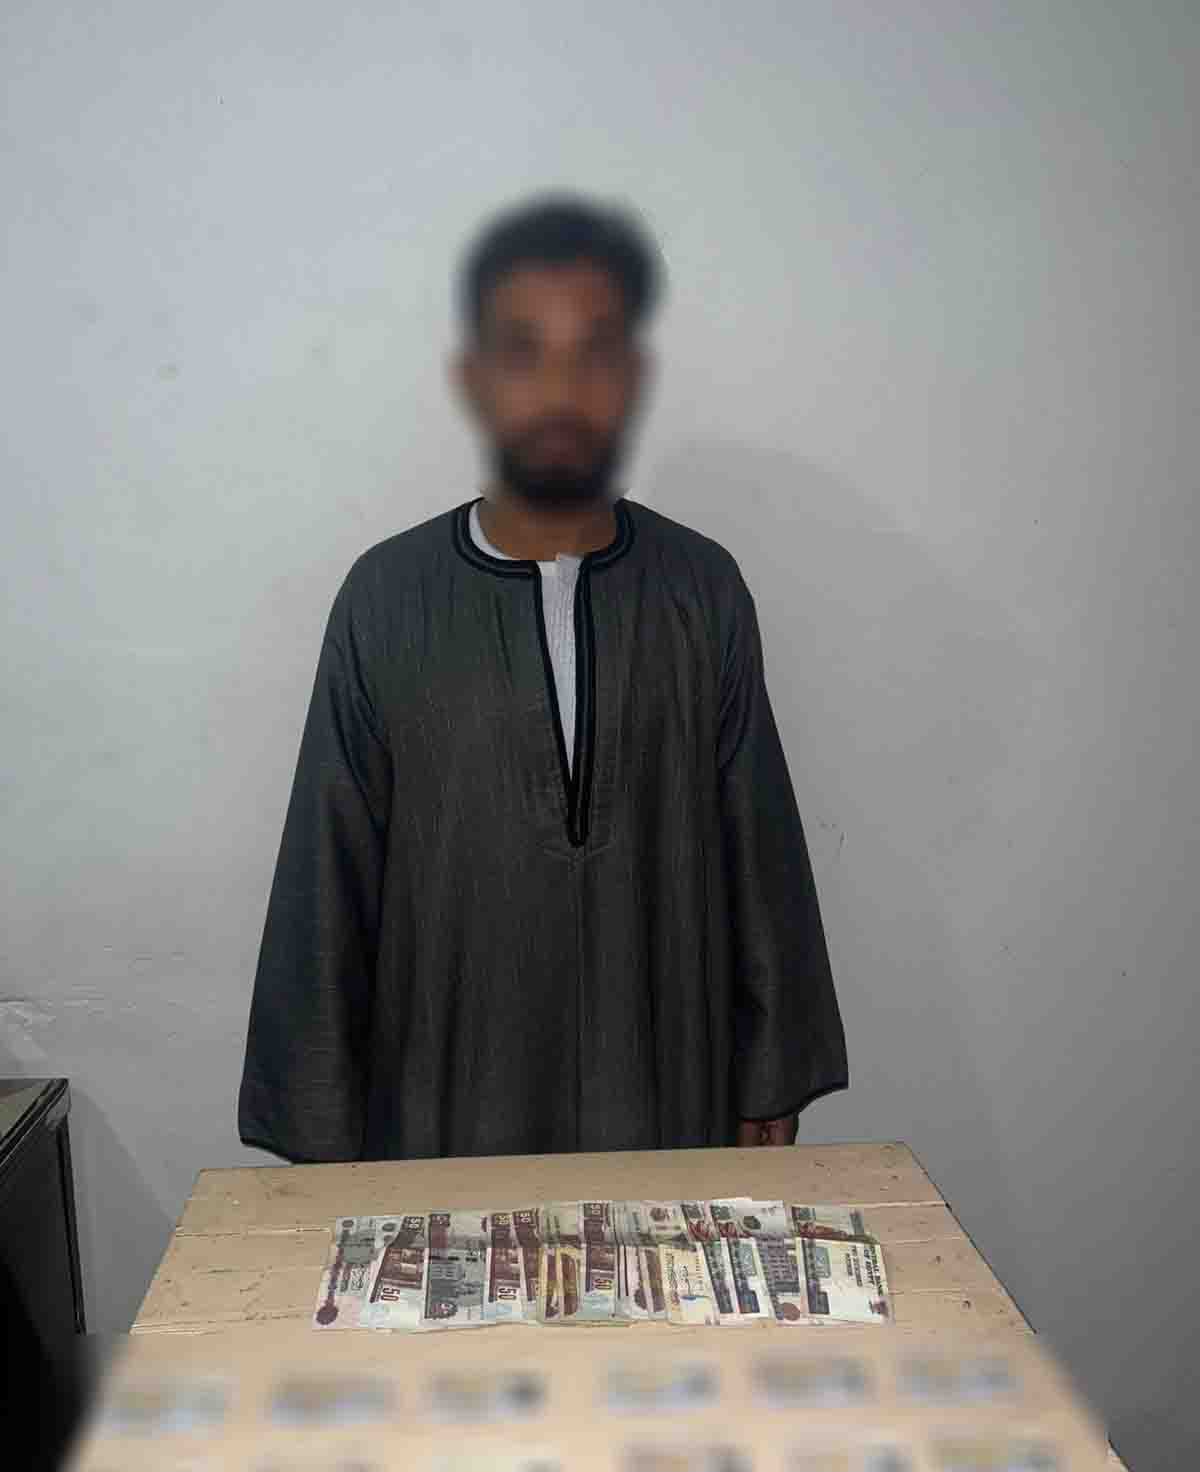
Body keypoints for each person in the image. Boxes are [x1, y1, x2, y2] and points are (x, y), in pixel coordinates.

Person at [238, 192, 848, 1163]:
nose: (561, 388)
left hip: (665, 1098)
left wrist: (769, 1069)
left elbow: (757, 844)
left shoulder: (701, 590)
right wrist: (321, 1134)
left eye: (592, 352)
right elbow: (328, 870)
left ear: (631, 377)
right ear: (476, 379)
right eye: (525, 351)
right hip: (442, 1117)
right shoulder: (387, 598)